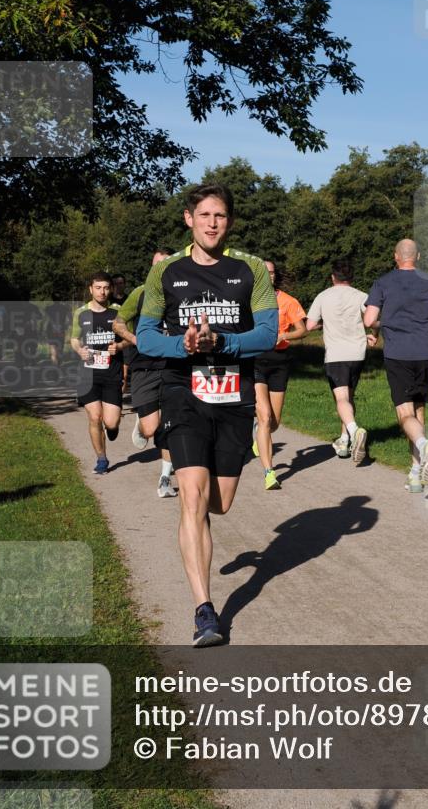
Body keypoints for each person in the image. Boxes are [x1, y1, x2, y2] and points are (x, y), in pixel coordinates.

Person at [136, 183, 278, 647]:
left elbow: (268, 332)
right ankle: (205, 610)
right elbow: (145, 337)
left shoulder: (250, 270)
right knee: (192, 498)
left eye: (220, 215)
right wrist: (185, 344)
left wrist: (222, 342)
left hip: (232, 394)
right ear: (188, 219)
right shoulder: (167, 275)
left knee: (219, 503)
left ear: (229, 222)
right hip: (184, 393)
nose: (212, 222)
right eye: (204, 215)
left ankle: (201, 542)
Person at [363, 239, 428, 492]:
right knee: (418, 409)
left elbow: (370, 318)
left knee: (404, 413)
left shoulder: (382, 282)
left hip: (398, 353)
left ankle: (426, 445)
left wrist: (376, 329)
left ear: (396, 256)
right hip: (426, 352)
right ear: (417, 257)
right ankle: (416, 474)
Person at [113, 246, 177, 498]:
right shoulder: (140, 294)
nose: (160, 269)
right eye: (156, 264)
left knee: (170, 425)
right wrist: (135, 338)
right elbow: (117, 322)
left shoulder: (182, 292)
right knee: (152, 428)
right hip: (144, 366)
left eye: (165, 264)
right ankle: (143, 423)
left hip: (174, 366)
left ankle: (164, 478)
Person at [305, 260, 375, 465]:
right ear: (351, 278)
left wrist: (323, 323)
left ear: (333, 277)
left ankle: (354, 432)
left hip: (336, 354)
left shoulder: (323, 296)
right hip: (358, 353)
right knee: (349, 397)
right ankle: (344, 441)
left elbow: (309, 325)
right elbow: (375, 318)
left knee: (341, 398)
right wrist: (374, 334)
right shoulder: (361, 296)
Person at [252, 260, 307, 490]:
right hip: (254, 361)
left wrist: (283, 336)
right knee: (264, 416)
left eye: (272, 273)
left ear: (276, 276)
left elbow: (302, 330)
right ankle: (269, 472)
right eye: (265, 273)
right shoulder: (249, 301)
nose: (269, 276)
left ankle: (259, 433)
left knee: (274, 422)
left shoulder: (288, 301)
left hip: (279, 363)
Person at [70, 272, 128, 474]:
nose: (102, 292)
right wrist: (80, 350)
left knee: (110, 421)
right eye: (98, 288)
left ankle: (113, 428)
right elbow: (74, 339)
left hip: (111, 373)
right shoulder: (81, 313)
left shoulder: (118, 311)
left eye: (105, 288)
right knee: (95, 417)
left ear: (110, 289)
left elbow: (129, 338)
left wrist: (119, 346)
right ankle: (101, 459)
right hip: (88, 374)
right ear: (90, 289)